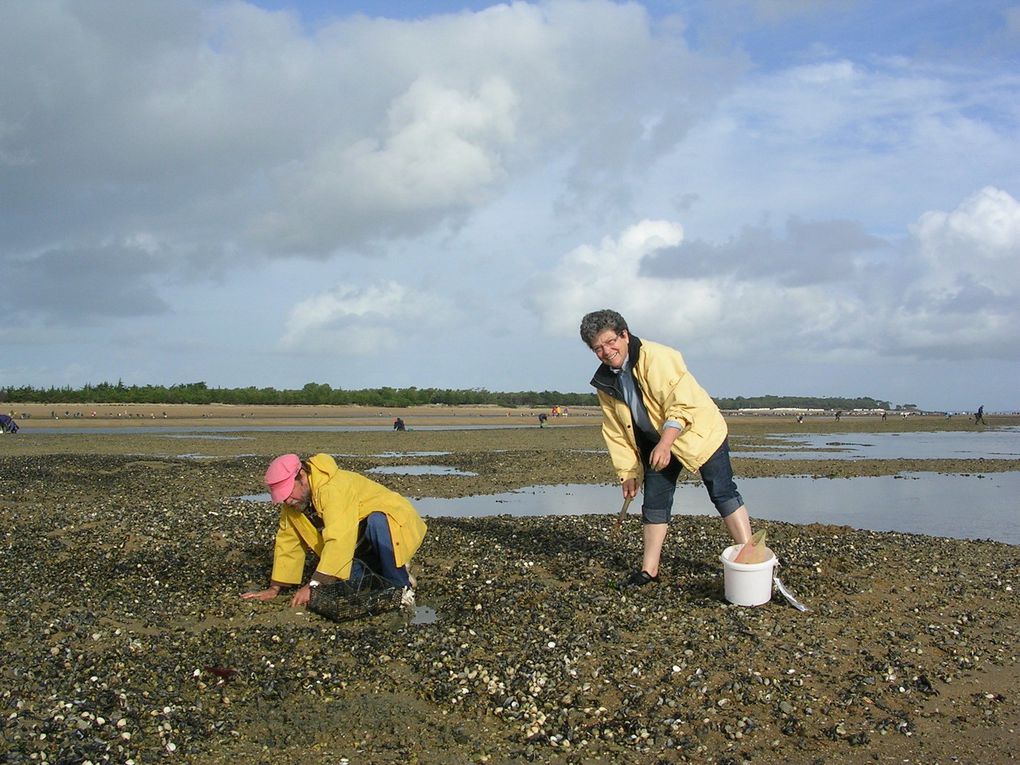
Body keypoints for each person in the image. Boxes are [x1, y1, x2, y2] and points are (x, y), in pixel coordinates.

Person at [580, 309, 754, 587]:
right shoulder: (605, 381)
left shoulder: (658, 357)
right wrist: (628, 472)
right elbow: (615, 431)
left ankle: (750, 557)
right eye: (597, 348)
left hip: (698, 431)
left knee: (722, 491)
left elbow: (681, 404)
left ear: (624, 335)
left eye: (610, 342)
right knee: (655, 502)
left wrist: (666, 442)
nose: (606, 351)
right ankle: (650, 571)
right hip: (655, 442)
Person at [242, 453, 427, 609]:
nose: (287, 500)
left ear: (302, 476)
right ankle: (386, 569)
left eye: (288, 492)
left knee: (377, 521)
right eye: (282, 497)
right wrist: (274, 588)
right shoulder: (294, 503)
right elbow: (288, 542)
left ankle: (402, 585)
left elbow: (339, 538)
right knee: (350, 586)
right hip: (358, 543)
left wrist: (313, 584)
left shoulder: (333, 488)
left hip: (395, 528)